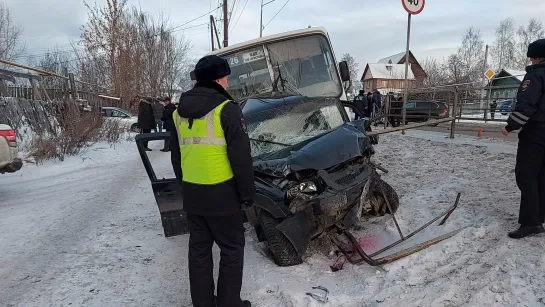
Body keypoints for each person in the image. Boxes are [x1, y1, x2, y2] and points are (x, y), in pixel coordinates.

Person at [169, 55, 254, 307]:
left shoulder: (177, 114)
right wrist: (247, 194)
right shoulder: (226, 109)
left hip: (194, 194)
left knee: (199, 252)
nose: (228, 82)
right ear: (218, 79)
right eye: (226, 77)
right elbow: (241, 159)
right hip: (223, 194)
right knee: (231, 249)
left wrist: (185, 186)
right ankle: (229, 303)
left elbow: (176, 157)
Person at [501, 38, 545, 239]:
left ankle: (530, 222)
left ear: (536, 57)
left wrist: (511, 125)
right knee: (542, 176)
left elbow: (527, 104)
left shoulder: (535, 76)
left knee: (526, 175)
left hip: (536, 132)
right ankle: (539, 216)